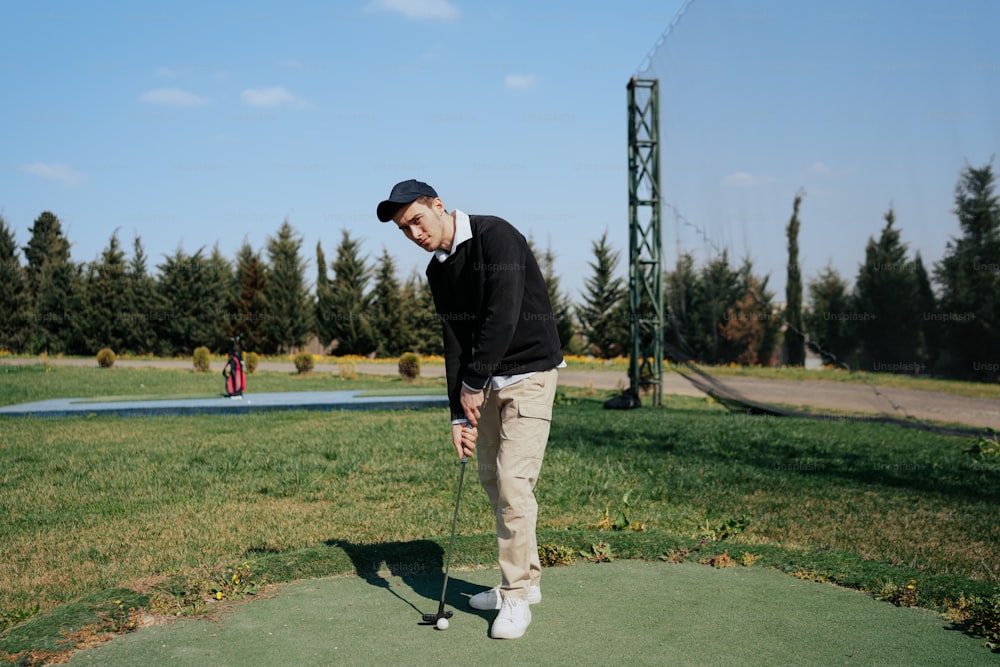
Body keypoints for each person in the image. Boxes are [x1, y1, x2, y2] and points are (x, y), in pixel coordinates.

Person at [376, 179, 564, 640]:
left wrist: (475, 383)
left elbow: (503, 312)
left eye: (417, 220)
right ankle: (525, 580)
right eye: (404, 230)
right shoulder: (438, 271)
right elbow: (455, 341)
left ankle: (516, 594)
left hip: (529, 374)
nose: (414, 234)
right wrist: (458, 415)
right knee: (489, 478)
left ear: (438, 206)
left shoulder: (495, 236)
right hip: (485, 383)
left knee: (514, 483)